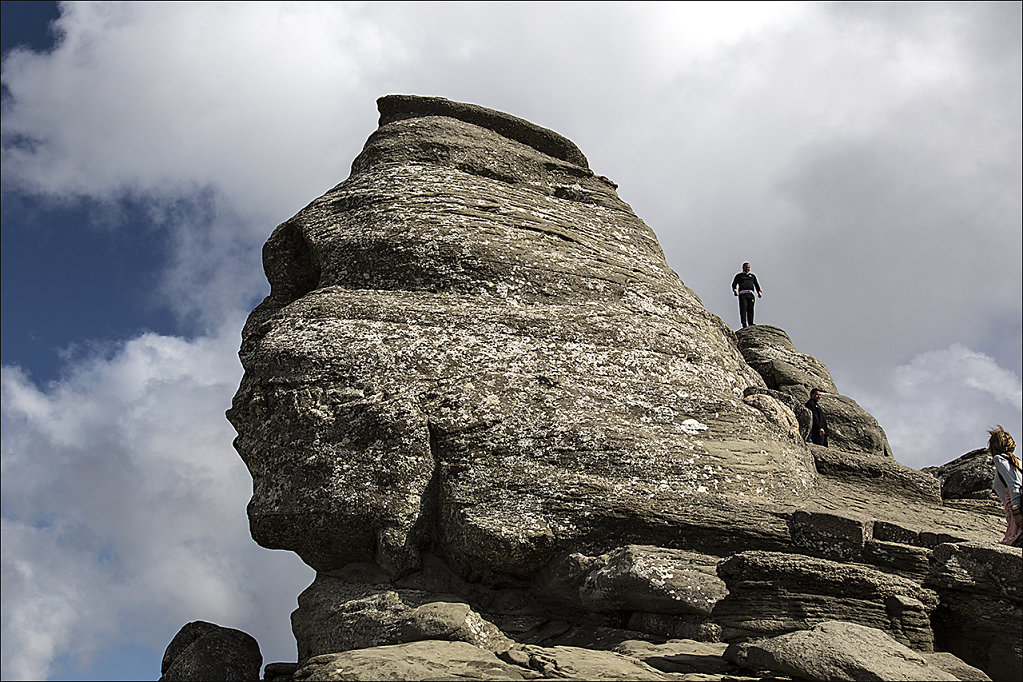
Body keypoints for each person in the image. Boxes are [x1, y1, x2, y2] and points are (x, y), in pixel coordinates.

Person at [989, 425, 1022, 547]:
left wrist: (1016, 512)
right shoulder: (1017, 462)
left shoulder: (1000, 460)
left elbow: (1014, 485)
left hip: (1015, 507)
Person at [731, 262, 762, 328]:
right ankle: (744, 323)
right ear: (743, 267)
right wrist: (735, 290)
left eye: (748, 267)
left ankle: (751, 323)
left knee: (750, 309)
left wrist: (759, 292)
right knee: (743, 308)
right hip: (742, 294)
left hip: (750, 293)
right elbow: (734, 284)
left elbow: (756, 284)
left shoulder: (752, 276)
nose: (747, 268)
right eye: (746, 267)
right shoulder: (739, 276)